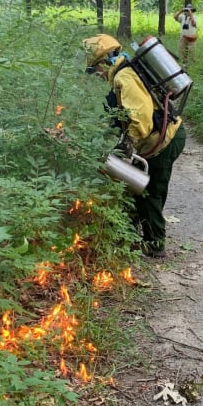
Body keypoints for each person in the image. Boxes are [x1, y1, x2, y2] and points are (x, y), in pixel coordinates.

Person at [83, 34, 186, 257]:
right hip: (155, 139)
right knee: (136, 187)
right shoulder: (125, 72)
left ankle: (155, 244)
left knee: (150, 191)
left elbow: (141, 119)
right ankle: (129, 231)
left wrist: (128, 144)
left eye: (95, 70)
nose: (97, 76)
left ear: (102, 62)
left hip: (165, 140)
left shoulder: (125, 78)